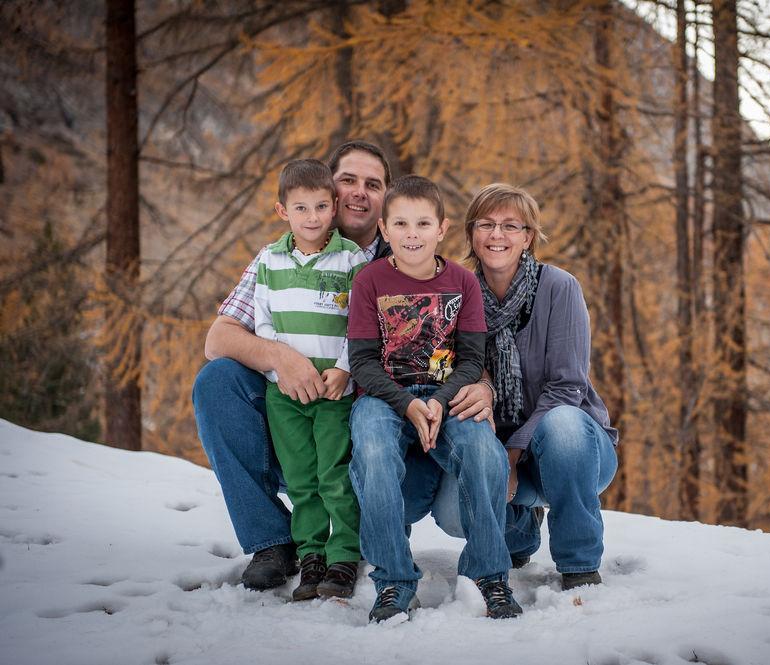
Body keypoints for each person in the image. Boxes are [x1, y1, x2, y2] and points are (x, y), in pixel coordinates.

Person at [193, 139, 495, 592]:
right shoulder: (281, 255)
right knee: (217, 381)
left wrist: (483, 381)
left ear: (389, 202)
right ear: (327, 193)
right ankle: (274, 541)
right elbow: (218, 337)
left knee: (399, 444)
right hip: (303, 408)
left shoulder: (407, 256)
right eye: (347, 180)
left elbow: (458, 338)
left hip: (390, 421)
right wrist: (281, 358)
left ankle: (368, 543)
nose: (358, 192)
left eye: (373, 185)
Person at [347, 175, 522, 623]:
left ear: (441, 229)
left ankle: (490, 574)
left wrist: (441, 401)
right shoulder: (370, 281)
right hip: (384, 400)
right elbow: (363, 362)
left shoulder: (463, 283)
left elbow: (470, 359)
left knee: (483, 449)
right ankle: (393, 580)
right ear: (384, 230)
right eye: (401, 224)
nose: (411, 234)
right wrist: (405, 404)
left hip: (448, 395)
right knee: (371, 448)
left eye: (422, 223)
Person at [431, 183, 619, 591]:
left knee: (564, 425)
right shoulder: (456, 294)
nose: (497, 235)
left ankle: (579, 562)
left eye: (510, 226)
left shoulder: (559, 287)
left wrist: (511, 460)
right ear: (471, 234)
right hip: (491, 443)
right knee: (450, 512)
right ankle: (518, 531)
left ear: (528, 236)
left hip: (572, 449)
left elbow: (567, 387)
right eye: (486, 224)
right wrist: (493, 459)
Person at [252, 159, 366, 600]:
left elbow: (359, 325)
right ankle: (312, 553)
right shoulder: (269, 260)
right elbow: (262, 324)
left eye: (321, 206)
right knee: (301, 478)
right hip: (286, 394)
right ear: (283, 211)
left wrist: (343, 368)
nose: (312, 217)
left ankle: (343, 556)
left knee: (334, 475)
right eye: (301, 209)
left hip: (334, 392)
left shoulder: (350, 259)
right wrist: (280, 369)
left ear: (334, 207)